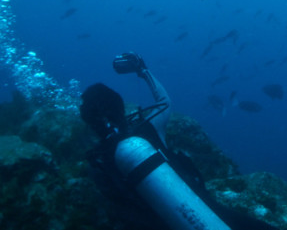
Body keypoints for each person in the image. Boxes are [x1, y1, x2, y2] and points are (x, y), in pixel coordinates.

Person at [80, 52, 276, 230]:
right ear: (121, 108)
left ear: (89, 122)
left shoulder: (99, 162)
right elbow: (165, 103)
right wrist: (142, 69)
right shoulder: (147, 130)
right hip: (204, 211)